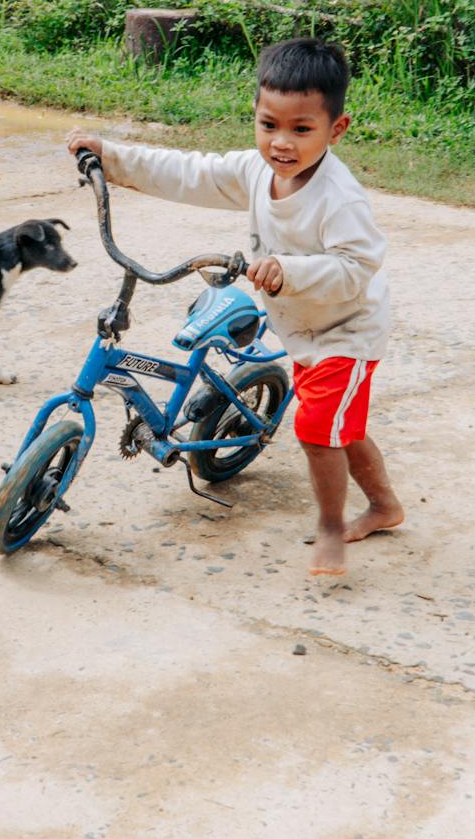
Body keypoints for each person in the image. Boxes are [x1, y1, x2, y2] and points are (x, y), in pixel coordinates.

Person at [65, 37, 401, 576]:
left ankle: (333, 526)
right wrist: (114, 157)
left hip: (345, 330)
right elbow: (191, 172)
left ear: (336, 129)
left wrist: (290, 271)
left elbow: (357, 267)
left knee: (318, 431)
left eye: (301, 129)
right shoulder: (254, 171)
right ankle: (386, 506)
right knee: (343, 426)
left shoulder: (341, 199)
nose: (281, 143)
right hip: (301, 325)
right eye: (268, 125)